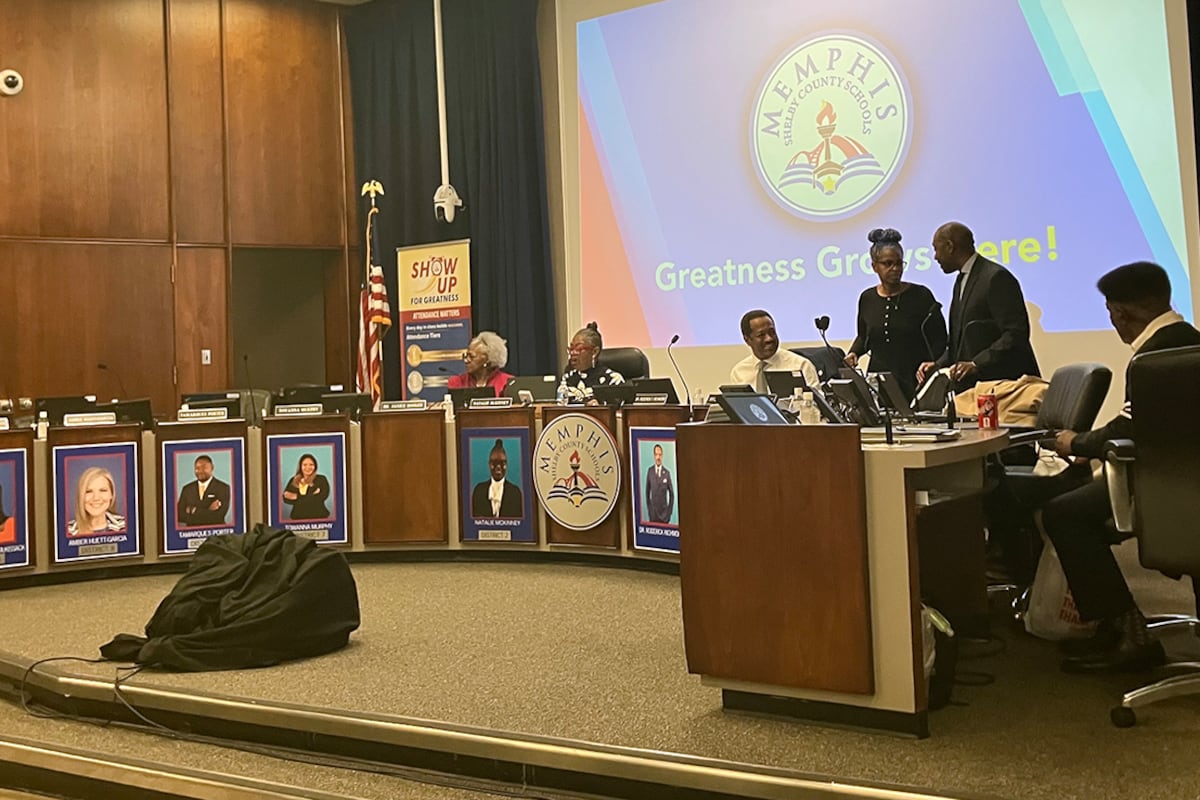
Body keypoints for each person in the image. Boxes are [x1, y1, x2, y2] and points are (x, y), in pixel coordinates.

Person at [1043, 261, 1200, 673]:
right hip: (1187, 486)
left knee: (1064, 513)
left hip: (1162, 490)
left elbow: (1128, 430)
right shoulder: (1190, 341)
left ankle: (1128, 629)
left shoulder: (1154, 358)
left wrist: (1075, 442)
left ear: (1119, 313)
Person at [917, 222, 1040, 389]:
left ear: (949, 246)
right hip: (975, 390)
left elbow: (1015, 334)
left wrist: (976, 364)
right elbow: (959, 345)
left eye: (936, 249)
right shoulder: (961, 281)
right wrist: (937, 365)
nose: (935, 257)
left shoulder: (996, 278)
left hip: (1005, 386)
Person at [846, 228, 947, 400]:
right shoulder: (867, 298)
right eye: (888, 263)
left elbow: (941, 339)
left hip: (916, 382)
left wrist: (935, 364)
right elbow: (865, 335)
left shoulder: (921, 295)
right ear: (874, 266)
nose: (895, 268)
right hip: (880, 385)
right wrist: (854, 353)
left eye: (899, 263)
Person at [729, 310, 819, 392]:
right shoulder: (739, 372)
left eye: (772, 332)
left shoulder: (801, 365)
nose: (769, 339)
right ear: (747, 340)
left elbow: (817, 406)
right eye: (761, 335)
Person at [560, 322, 625, 404]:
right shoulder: (567, 378)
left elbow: (619, 413)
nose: (573, 353)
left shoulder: (613, 380)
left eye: (578, 349)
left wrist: (599, 407)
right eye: (571, 348)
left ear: (594, 352)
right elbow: (559, 406)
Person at [448, 331, 515, 397]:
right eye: (465, 355)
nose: (466, 360)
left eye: (471, 357)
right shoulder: (457, 382)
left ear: (488, 360)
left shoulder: (508, 382)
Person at [471, 439, 523, 518]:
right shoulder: (479, 492)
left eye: (502, 463)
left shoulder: (515, 493)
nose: (498, 467)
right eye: (494, 463)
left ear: (507, 465)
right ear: (489, 464)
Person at [66, 467, 126, 536]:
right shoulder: (68, 531)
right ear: (80, 497)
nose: (96, 498)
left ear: (111, 495)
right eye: (88, 491)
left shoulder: (125, 525)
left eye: (103, 490)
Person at [176, 455, 231, 527]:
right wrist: (208, 510)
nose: (200, 471)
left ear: (212, 468)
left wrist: (193, 510)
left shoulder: (223, 488)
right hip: (192, 534)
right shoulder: (187, 489)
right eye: (197, 468)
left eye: (204, 468)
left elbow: (218, 516)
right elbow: (179, 515)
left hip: (215, 535)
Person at [282, 453, 331, 520]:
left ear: (315, 466)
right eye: (304, 465)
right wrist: (312, 494)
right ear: (300, 467)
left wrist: (297, 497)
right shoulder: (293, 480)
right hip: (297, 518)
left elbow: (321, 497)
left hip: (319, 517)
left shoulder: (321, 479)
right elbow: (286, 499)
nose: (308, 467)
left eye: (311, 465)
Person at [644, 444, 674, 524]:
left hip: (664, 516)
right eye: (656, 454)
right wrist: (650, 510)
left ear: (662, 456)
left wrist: (669, 513)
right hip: (653, 516)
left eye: (660, 455)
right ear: (654, 456)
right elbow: (647, 492)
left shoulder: (667, 473)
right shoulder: (650, 472)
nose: (658, 457)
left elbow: (672, 494)